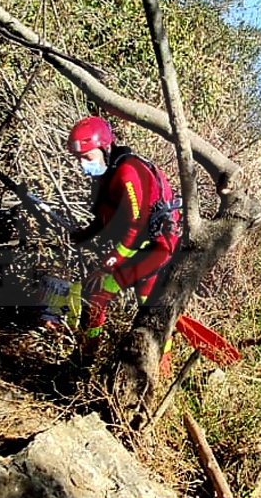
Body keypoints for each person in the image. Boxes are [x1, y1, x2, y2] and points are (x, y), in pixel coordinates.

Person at [66, 116, 181, 357]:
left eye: (87, 157)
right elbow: (104, 216)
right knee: (148, 309)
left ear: (105, 148)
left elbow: (135, 228)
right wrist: (85, 234)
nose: (82, 164)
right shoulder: (106, 174)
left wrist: (109, 263)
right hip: (144, 248)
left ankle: (86, 357)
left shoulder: (128, 174)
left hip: (154, 248)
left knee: (96, 291)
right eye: (78, 158)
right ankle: (162, 366)